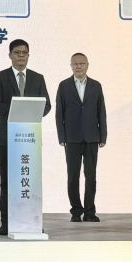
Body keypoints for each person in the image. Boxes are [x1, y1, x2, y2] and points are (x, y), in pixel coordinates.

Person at [0, 38, 50, 235]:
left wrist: (31, 112)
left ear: (28, 55)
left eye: (24, 53)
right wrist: (18, 111)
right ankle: (7, 223)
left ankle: (32, 222)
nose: (21, 56)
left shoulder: (38, 78)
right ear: (10, 55)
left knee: (30, 181)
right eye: (17, 53)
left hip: (30, 138)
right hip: (7, 137)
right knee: (8, 182)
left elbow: (47, 105)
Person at [55, 52, 107, 222]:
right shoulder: (64, 86)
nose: (78, 66)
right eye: (75, 64)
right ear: (71, 66)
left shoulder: (96, 86)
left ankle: (90, 212)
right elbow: (59, 113)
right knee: (73, 177)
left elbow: (101, 111)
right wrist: (61, 136)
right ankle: (76, 212)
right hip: (71, 138)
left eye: (82, 63)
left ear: (87, 65)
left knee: (91, 177)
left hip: (92, 137)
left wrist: (103, 135)